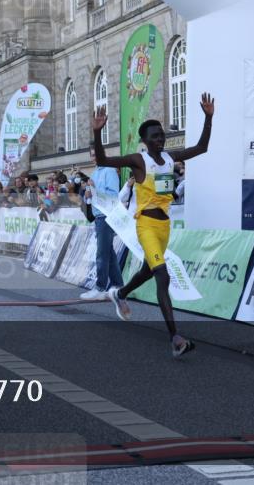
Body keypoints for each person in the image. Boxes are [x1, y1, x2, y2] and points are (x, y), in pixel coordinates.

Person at [94, 93, 216, 358]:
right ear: (145, 141)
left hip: (164, 227)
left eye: (162, 136)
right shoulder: (139, 161)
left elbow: (201, 147)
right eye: (155, 137)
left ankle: (120, 293)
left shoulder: (170, 159)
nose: (160, 140)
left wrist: (209, 118)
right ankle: (175, 338)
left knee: (148, 270)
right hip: (146, 225)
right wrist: (97, 133)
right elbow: (103, 161)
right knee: (163, 275)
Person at [80, 148, 122, 301]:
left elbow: (113, 195)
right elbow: (91, 197)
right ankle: (118, 286)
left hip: (106, 215)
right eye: (92, 155)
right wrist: (88, 195)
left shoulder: (110, 171)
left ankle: (100, 288)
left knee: (102, 254)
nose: (94, 157)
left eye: (96, 154)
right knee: (108, 253)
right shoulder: (94, 173)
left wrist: (95, 189)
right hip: (99, 216)